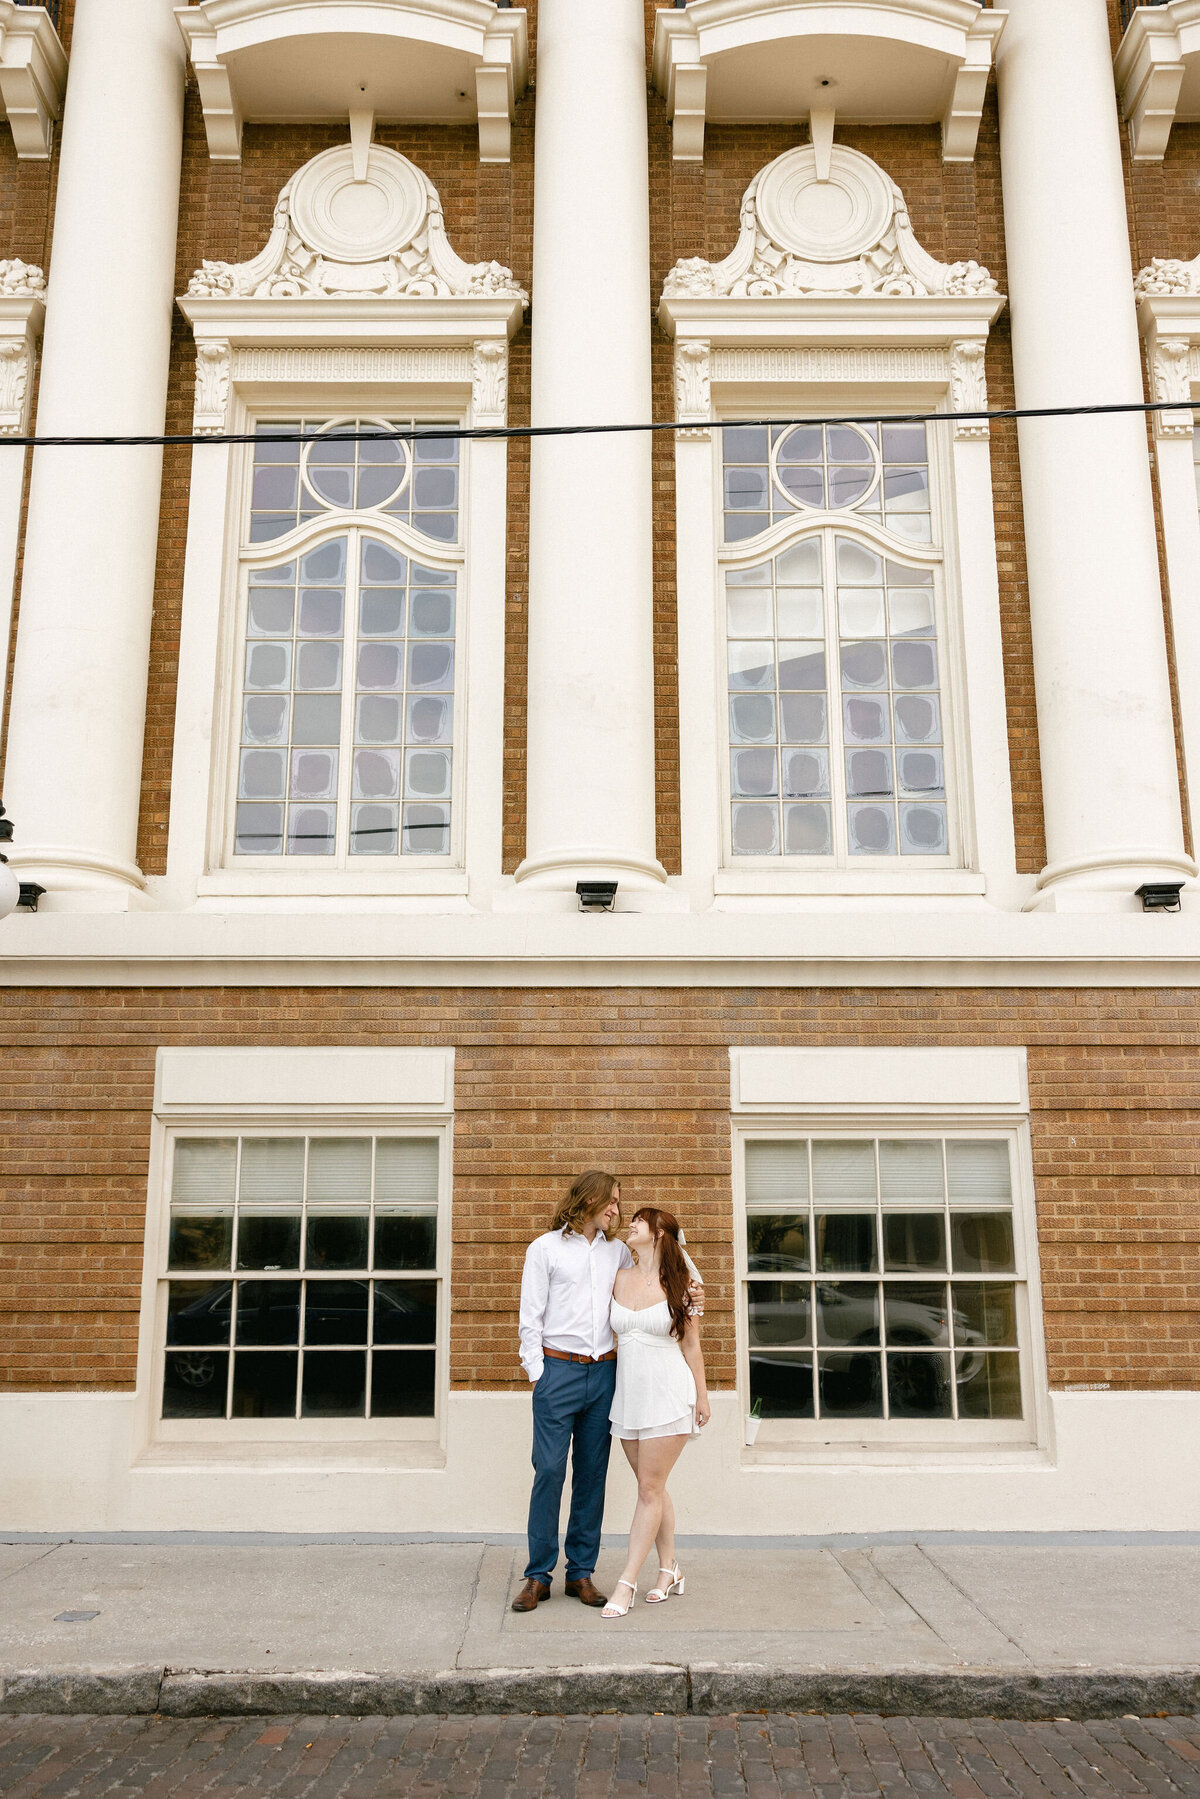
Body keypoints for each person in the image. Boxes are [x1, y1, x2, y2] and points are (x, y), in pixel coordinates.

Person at [512, 1173, 702, 1614]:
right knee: (549, 1471)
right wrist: (538, 1374)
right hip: (558, 1371)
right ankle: (538, 1575)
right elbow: (529, 1317)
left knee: (593, 1476)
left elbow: (673, 1262)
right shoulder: (544, 1249)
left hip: (605, 1377)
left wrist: (695, 1290)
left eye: (619, 1203)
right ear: (588, 1199)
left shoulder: (619, 1252)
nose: (617, 1210)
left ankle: (580, 1572)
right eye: (612, 1201)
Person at [601, 1206, 710, 1619]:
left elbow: (691, 1345)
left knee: (648, 1490)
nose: (629, 1225)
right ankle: (670, 1570)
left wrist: (701, 1396)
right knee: (655, 1488)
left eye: (638, 1222)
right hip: (628, 1397)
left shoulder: (684, 1284)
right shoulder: (619, 1277)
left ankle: (626, 1582)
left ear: (660, 1234)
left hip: (668, 1393)